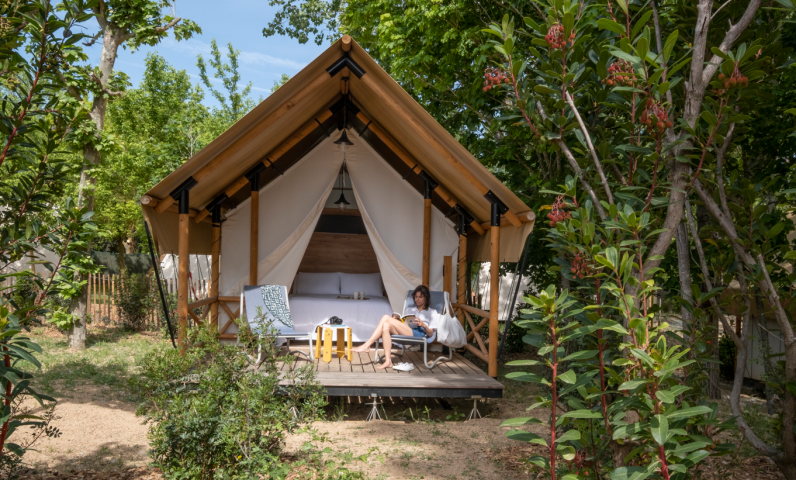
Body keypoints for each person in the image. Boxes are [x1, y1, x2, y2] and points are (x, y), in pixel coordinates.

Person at [351, 285, 436, 369]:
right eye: (416, 297)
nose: (417, 299)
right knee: (386, 326)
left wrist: (423, 325)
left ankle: (366, 345)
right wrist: (397, 320)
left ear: (426, 297)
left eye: (420, 297)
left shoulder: (432, 312)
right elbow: (404, 324)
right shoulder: (410, 310)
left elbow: (430, 333)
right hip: (407, 330)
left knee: (385, 317)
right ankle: (388, 361)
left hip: (419, 333)